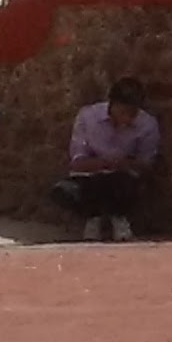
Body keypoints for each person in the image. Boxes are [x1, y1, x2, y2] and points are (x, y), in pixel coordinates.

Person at [52, 77, 162, 242]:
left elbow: (147, 163)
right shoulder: (88, 117)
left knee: (122, 184)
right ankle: (93, 217)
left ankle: (119, 218)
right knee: (64, 191)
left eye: (133, 112)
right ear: (112, 104)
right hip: (91, 175)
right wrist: (103, 162)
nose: (127, 117)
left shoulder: (147, 125)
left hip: (122, 177)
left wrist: (126, 163)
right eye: (123, 111)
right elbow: (77, 160)